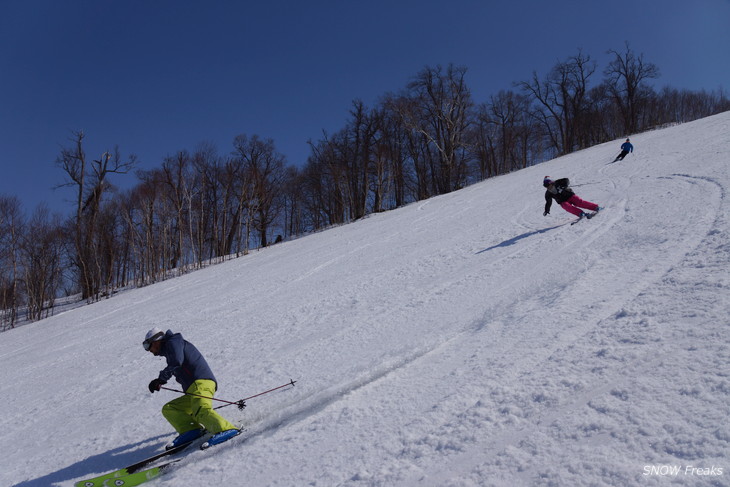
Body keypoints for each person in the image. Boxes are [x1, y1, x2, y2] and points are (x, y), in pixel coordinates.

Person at [144, 328, 239, 448]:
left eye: (148, 345)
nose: (148, 350)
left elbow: (176, 362)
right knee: (170, 409)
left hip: (202, 382)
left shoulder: (174, 342)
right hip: (192, 390)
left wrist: (161, 379)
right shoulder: (171, 350)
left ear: (156, 340)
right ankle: (191, 430)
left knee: (200, 409)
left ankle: (226, 429)